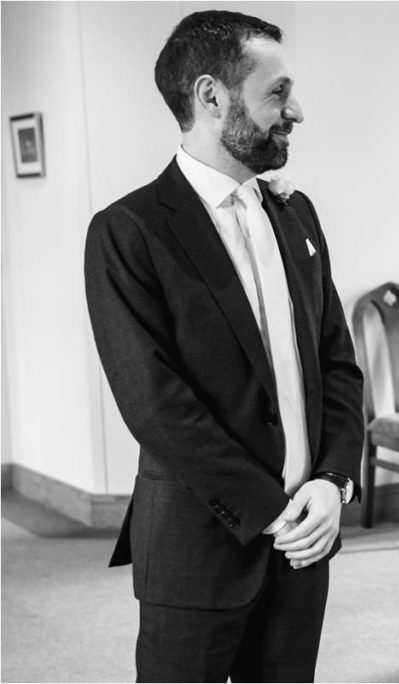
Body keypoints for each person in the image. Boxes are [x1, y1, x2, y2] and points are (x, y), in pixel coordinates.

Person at [83, 11, 364, 682]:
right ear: (211, 97)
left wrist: (332, 482)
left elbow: (338, 365)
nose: (296, 110)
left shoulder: (296, 214)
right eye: (277, 92)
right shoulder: (128, 231)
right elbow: (155, 404)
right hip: (198, 547)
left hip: (303, 547)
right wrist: (275, 511)